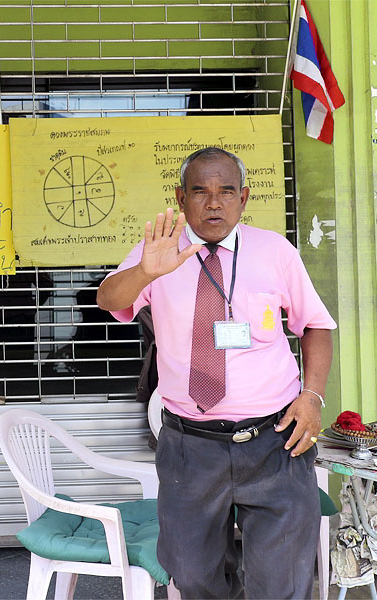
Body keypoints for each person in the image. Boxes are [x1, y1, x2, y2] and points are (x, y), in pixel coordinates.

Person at [96, 147, 336, 599]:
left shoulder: (274, 251)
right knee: (194, 579)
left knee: (281, 583)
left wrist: (313, 397)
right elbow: (109, 300)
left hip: (275, 441)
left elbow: (316, 325)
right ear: (180, 197)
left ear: (244, 198)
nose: (213, 203)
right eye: (200, 191)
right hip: (191, 446)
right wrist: (145, 272)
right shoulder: (159, 252)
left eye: (226, 191)